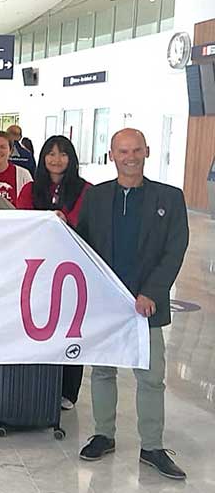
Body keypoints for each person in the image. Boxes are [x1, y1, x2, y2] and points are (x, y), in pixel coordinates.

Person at [75, 129, 189, 481]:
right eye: (123, 150)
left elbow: (175, 249)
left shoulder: (169, 198)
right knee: (103, 372)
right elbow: (84, 246)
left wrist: (152, 293)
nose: (130, 156)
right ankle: (103, 434)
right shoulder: (95, 198)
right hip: (107, 304)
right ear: (112, 155)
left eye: (136, 149)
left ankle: (152, 446)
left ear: (148, 151)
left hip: (146, 306)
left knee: (152, 377)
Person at [15, 135, 91, 411]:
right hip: (36, 273)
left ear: (71, 159)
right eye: (50, 153)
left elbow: (88, 226)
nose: (56, 159)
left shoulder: (86, 191)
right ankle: (36, 384)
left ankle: (68, 390)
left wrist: (64, 221)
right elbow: (20, 226)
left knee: (70, 329)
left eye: (63, 154)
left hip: (72, 273)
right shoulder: (30, 191)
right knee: (37, 327)